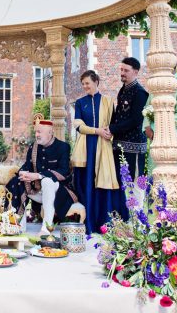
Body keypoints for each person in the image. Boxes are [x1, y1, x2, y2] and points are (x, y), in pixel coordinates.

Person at [71, 70, 122, 234]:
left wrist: (108, 132)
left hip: (103, 146)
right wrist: (98, 131)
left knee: (103, 183)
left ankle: (104, 223)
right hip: (86, 147)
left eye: (87, 83)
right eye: (83, 83)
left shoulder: (108, 101)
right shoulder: (79, 103)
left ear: (96, 82)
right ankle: (88, 224)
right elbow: (79, 127)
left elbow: (113, 123)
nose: (85, 86)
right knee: (87, 183)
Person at [6, 118, 76, 236]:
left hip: (58, 190)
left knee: (47, 181)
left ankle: (46, 229)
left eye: (39, 132)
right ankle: (17, 226)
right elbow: (27, 165)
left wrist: (38, 175)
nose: (36, 135)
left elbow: (63, 172)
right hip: (38, 191)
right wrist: (24, 173)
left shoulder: (63, 147)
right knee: (17, 181)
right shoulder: (34, 147)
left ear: (50, 132)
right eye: (36, 132)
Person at [105, 57, 149, 219]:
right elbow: (119, 115)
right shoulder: (123, 89)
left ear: (136, 72)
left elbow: (136, 120)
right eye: (121, 70)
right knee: (122, 184)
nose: (122, 73)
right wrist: (110, 128)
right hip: (119, 146)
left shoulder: (140, 93)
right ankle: (125, 220)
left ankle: (138, 221)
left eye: (126, 71)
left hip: (134, 148)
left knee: (135, 183)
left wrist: (112, 128)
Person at [144, 66, 177, 183]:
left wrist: (158, 125)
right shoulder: (157, 86)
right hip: (156, 143)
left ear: (172, 66)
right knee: (155, 186)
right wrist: (147, 127)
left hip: (176, 144)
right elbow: (147, 108)